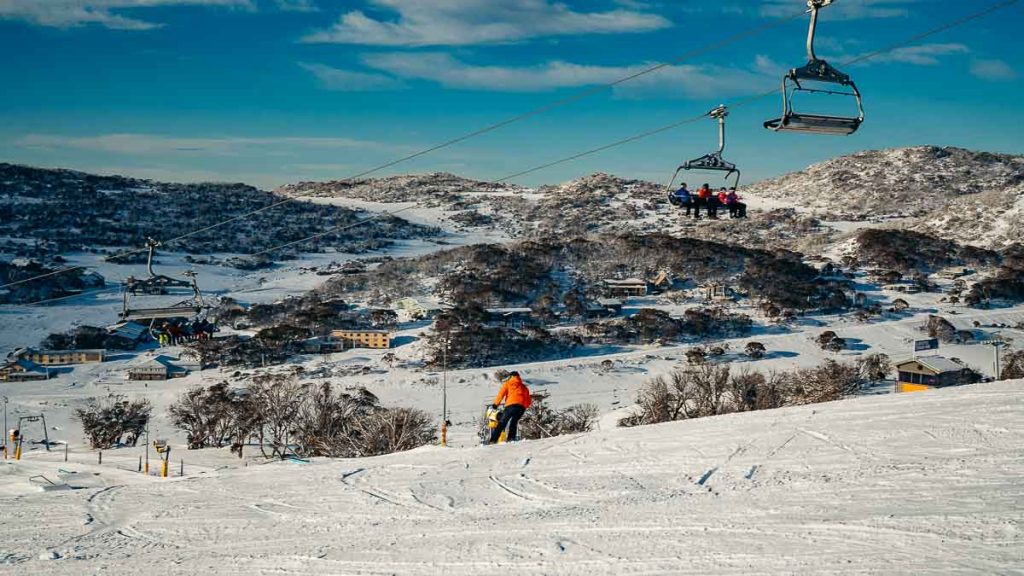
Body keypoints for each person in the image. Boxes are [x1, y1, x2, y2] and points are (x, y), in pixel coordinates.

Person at [490, 370, 532, 444]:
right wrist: (524, 406)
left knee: (502, 422)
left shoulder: (508, 384)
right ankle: (511, 439)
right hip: (521, 408)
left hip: (511, 406)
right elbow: (528, 400)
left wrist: (495, 404)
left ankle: (493, 440)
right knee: (514, 422)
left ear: (511, 376)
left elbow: (501, 394)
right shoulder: (524, 386)